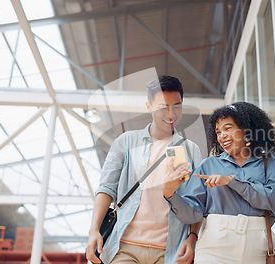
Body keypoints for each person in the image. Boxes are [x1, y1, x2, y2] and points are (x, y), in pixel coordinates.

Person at [85, 76, 203, 264]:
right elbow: (106, 188)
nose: (171, 114)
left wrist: (193, 237)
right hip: (124, 247)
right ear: (149, 106)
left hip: (169, 252)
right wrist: (94, 231)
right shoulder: (126, 142)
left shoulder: (191, 150)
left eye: (177, 106)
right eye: (163, 107)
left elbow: (198, 201)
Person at [163, 102, 275, 264]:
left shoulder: (270, 162)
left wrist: (232, 182)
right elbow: (192, 215)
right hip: (214, 246)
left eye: (228, 128)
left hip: (261, 247)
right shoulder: (208, 166)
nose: (222, 135)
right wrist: (170, 194)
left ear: (247, 130)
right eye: (218, 132)